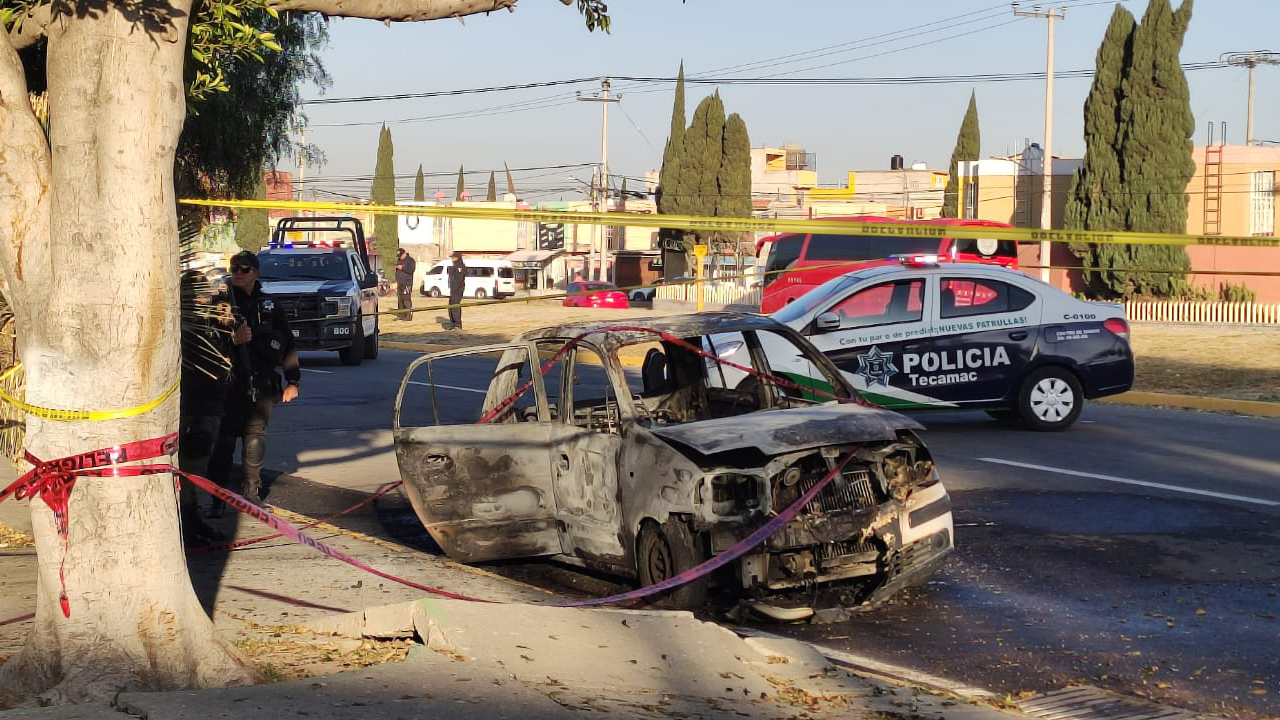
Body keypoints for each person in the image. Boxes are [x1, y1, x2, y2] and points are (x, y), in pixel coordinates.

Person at [206, 250, 300, 514]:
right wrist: (231, 340)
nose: (237, 272)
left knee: (254, 438)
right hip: (228, 385)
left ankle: (251, 493)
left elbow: (288, 344)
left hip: (262, 383)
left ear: (255, 274)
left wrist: (293, 381)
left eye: (244, 269)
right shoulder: (219, 305)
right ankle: (218, 499)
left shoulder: (269, 306)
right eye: (234, 268)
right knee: (223, 443)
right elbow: (203, 342)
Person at [178, 270, 234, 543]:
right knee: (190, 470)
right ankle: (188, 520)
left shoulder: (208, 322)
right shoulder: (186, 326)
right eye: (200, 292)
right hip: (195, 408)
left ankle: (192, 517)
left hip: (210, 405)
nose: (206, 297)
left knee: (196, 469)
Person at [394, 247, 416, 320]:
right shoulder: (399, 260)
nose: (400, 257)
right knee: (400, 299)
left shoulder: (410, 261)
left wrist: (402, 268)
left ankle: (409, 315)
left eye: (401, 255)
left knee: (406, 298)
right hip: (400, 283)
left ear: (404, 253)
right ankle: (402, 315)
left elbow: (411, 270)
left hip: (407, 283)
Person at [447, 251, 466, 330]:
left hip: (457, 289)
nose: (452, 259)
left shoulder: (460, 267)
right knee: (451, 305)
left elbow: (459, 280)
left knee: (455, 306)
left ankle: (457, 324)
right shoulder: (455, 266)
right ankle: (453, 322)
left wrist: (454, 289)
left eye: (454, 257)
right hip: (453, 289)